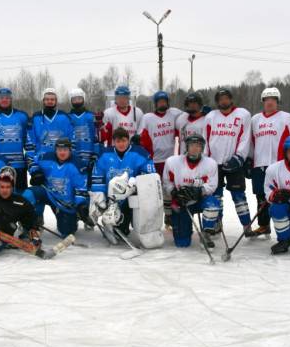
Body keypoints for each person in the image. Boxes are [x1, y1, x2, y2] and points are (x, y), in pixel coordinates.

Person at [248, 87, 290, 237]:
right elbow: (250, 141)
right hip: (259, 164)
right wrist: (249, 160)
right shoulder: (255, 119)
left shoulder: (287, 117)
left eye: (273, 100)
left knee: (281, 196)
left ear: (277, 101)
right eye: (267, 100)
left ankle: (288, 227)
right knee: (261, 196)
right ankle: (264, 225)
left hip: (279, 164)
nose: (269, 103)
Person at [91, 127, 156, 235]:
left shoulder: (140, 153)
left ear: (128, 140)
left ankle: (131, 224)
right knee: (119, 231)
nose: (121, 144)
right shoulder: (105, 155)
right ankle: (113, 225)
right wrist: (99, 196)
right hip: (112, 198)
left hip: (133, 196)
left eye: (124, 141)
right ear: (114, 142)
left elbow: (150, 174)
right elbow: (98, 176)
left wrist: (135, 182)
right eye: (118, 141)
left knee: (137, 225)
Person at [204, 88, 252, 234]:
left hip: (234, 162)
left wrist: (239, 157)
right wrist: (205, 160)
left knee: (239, 196)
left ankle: (246, 225)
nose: (223, 101)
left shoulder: (243, 114)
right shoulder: (211, 116)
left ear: (231, 99)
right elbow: (205, 138)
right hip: (214, 164)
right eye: (220, 99)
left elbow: (245, 137)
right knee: (216, 196)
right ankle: (217, 224)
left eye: (226, 98)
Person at [23, 138, 89, 237]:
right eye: (59, 150)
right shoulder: (47, 158)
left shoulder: (77, 165)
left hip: (65, 203)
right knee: (28, 195)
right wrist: (35, 171)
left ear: (70, 150)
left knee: (67, 231)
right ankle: (30, 224)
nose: (62, 152)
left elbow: (81, 188)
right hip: (47, 193)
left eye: (65, 150)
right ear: (55, 150)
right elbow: (31, 160)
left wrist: (80, 205)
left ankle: (73, 218)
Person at [163, 134, 220, 248]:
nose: (194, 148)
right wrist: (174, 192)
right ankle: (184, 229)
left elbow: (212, 185)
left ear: (202, 148)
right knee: (182, 243)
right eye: (192, 145)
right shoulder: (172, 162)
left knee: (213, 203)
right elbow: (166, 183)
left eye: (198, 146)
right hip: (181, 203)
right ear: (187, 147)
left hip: (200, 200)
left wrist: (198, 192)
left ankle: (206, 234)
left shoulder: (210, 163)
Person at [138, 90, 182, 224]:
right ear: (155, 104)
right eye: (159, 102)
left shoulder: (174, 113)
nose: (162, 104)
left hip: (169, 160)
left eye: (164, 101)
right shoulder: (148, 117)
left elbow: (189, 116)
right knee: (153, 191)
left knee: (168, 188)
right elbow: (140, 134)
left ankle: (168, 216)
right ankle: (153, 218)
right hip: (154, 160)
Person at [0, 87, 30, 191]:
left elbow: (29, 140)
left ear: (11, 99)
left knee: (20, 196)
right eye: (1, 97)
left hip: (19, 164)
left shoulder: (22, 116)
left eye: (7, 97)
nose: (4, 100)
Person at [25, 88, 73, 172]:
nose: (50, 101)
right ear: (43, 101)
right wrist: (32, 165)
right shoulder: (36, 117)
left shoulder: (64, 117)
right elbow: (30, 142)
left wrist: (71, 159)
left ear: (56, 101)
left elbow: (72, 139)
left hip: (61, 161)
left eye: (52, 99)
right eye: (47, 99)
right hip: (42, 161)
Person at [68, 87, 99, 174]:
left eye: (79, 98)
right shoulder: (68, 118)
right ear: (70, 101)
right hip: (73, 155)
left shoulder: (91, 116)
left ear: (83, 99)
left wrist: (95, 153)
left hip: (89, 153)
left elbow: (96, 136)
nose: (77, 101)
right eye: (74, 99)